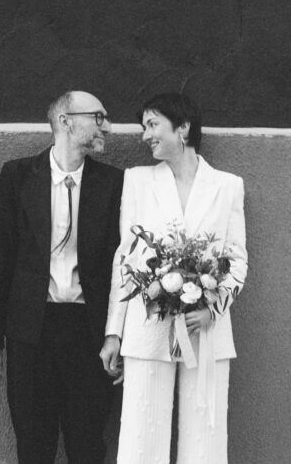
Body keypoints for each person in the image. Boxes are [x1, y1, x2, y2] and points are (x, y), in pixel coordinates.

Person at [99, 92, 247, 464]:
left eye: (153, 125)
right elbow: (125, 259)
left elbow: (237, 261)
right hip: (149, 323)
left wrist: (213, 309)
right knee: (141, 433)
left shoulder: (228, 186)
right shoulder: (137, 181)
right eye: (144, 127)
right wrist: (114, 332)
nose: (145, 135)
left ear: (182, 128)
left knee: (205, 434)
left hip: (205, 329)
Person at [0, 91, 124, 464]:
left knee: (87, 444)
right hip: (31, 331)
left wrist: (117, 334)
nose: (107, 126)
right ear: (65, 121)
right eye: (98, 117)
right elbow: (1, 256)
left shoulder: (113, 183)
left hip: (88, 332)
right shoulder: (17, 176)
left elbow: (122, 264)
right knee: (33, 444)